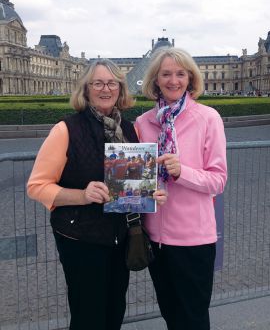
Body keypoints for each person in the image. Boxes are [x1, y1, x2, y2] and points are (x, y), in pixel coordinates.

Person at [27, 59, 167, 330]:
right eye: (98, 83)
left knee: (115, 310)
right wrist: (83, 195)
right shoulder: (66, 129)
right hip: (81, 238)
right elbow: (37, 186)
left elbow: (132, 183)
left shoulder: (129, 130)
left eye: (112, 82)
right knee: (88, 315)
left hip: (120, 237)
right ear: (87, 89)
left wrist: (150, 193)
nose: (106, 88)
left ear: (120, 88)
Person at [135, 47, 227, 330]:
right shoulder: (142, 123)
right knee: (172, 316)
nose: (173, 80)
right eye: (166, 74)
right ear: (155, 80)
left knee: (194, 319)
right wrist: (145, 191)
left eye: (180, 73)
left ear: (190, 79)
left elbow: (218, 179)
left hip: (193, 239)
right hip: (157, 240)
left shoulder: (208, 118)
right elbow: (137, 181)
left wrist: (181, 172)